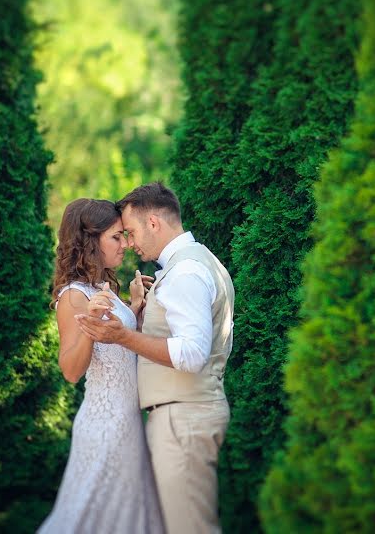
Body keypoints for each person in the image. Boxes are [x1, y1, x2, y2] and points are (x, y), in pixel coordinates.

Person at [76, 182, 234, 534]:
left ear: (153, 224)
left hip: (182, 419)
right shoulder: (197, 262)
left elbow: (192, 354)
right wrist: (140, 313)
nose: (129, 243)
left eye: (130, 232)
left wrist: (123, 335)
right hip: (186, 414)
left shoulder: (185, 272)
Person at [39, 198, 164, 534]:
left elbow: (122, 351)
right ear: (89, 241)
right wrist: (90, 322)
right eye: (116, 237)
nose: (125, 244)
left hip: (128, 424)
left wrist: (135, 310)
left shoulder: (102, 287)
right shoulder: (74, 296)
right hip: (105, 426)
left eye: (124, 236)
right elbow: (70, 370)